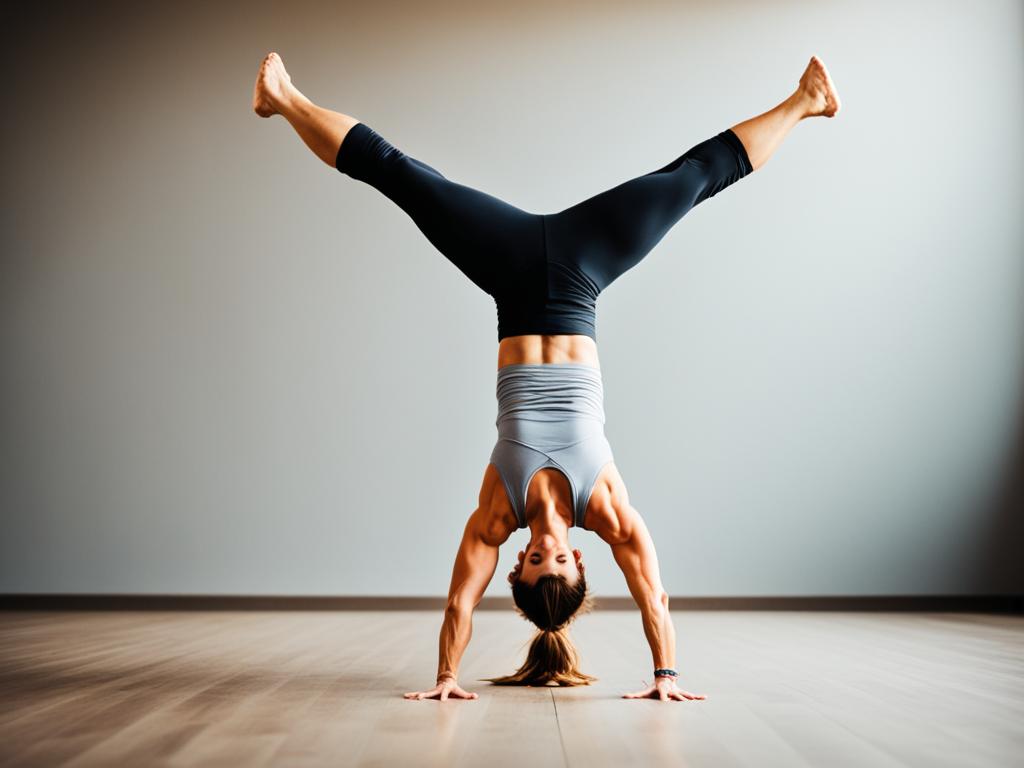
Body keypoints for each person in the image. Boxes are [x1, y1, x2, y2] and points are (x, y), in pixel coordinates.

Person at [252, 51, 840, 703]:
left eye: (536, 559)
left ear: (517, 568)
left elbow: (457, 605)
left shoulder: (497, 511)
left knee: (401, 176)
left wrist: (446, 677)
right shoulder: (608, 510)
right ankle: (806, 101)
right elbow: (655, 594)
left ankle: (283, 99)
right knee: (692, 179)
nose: (549, 545)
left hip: (510, 274)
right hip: (584, 271)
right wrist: (665, 677)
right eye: (560, 558)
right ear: (580, 561)